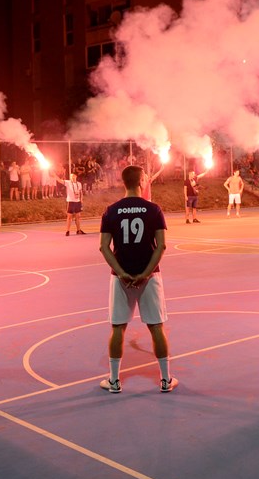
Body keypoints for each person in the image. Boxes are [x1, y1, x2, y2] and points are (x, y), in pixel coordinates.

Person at [98, 165, 176, 393]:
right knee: (156, 327)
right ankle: (165, 380)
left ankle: (114, 381)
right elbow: (161, 245)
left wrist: (121, 272)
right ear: (142, 180)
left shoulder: (111, 210)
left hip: (120, 278)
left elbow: (104, 247)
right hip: (150, 277)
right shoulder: (153, 209)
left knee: (118, 328)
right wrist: (146, 273)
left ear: (123, 182)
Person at [63, 171, 85, 235]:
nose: (72, 177)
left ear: (76, 176)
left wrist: (81, 199)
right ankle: (67, 231)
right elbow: (60, 181)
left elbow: (81, 192)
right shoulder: (68, 183)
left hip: (77, 202)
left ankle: (78, 230)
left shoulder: (79, 184)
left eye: (73, 176)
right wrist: (55, 176)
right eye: (71, 176)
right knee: (69, 216)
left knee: (78, 216)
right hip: (71, 201)